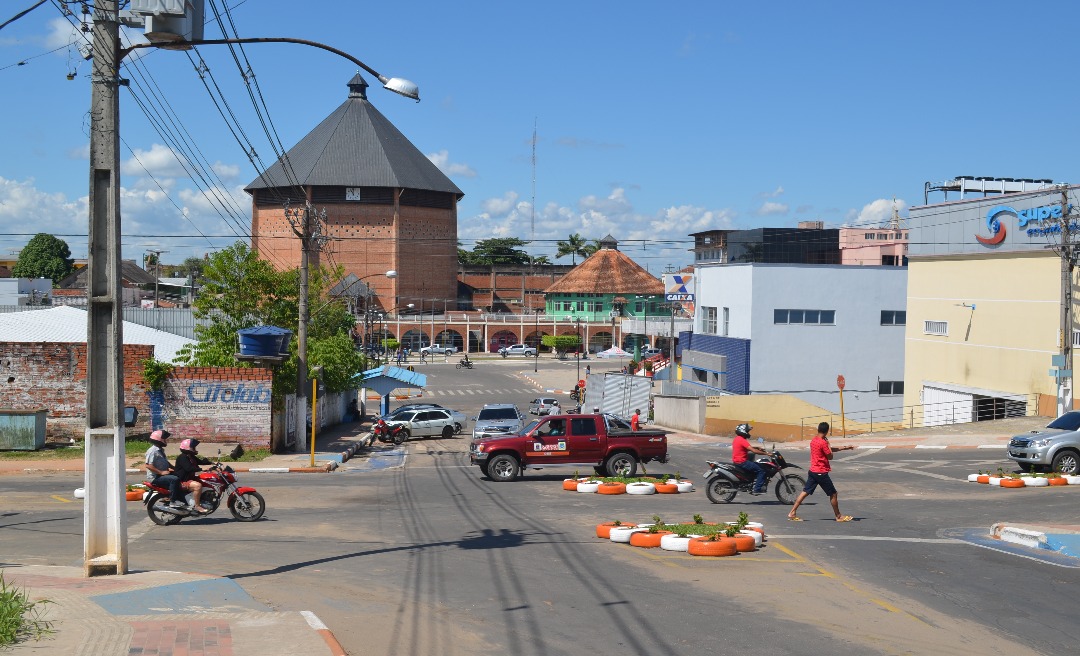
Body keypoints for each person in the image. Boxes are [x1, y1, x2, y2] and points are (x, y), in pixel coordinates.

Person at [788, 422, 857, 522]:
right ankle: (838, 516)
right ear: (827, 431)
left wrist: (845, 447)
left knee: (805, 492)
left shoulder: (814, 440)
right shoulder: (824, 442)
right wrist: (828, 443)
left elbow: (828, 450)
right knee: (833, 494)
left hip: (813, 471)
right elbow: (830, 456)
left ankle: (792, 512)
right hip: (821, 472)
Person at [144, 430, 184, 508]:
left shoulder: (160, 450)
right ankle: (173, 501)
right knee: (174, 479)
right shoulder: (152, 451)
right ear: (159, 439)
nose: (166, 441)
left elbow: (166, 462)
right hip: (155, 477)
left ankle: (180, 498)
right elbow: (148, 465)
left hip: (161, 475)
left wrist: (175, 469)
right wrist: (161, 472)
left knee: (180, 476)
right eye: (164, 439)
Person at [175, 438, 213, 513]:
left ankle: (202, 499)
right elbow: (189, 468)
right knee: (198, 486)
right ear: (188, 448)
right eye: (193, 447)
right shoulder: (183, 457)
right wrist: (202, 469)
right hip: (182, 481)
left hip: (189, 478)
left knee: (206, 481)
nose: (195, 449)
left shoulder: (190, 456)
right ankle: (197, 506)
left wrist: (211, 463)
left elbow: (201, 462)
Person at [731, 423, 769, 495]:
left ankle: (752, 483)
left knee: (756, 466)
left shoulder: (737, 439)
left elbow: (745, 448)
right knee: (762, 470)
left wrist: (757, 448)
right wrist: (767, 454)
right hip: (742, 462)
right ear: (743, 431)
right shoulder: (742, 440)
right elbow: (753, 451)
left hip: (737, 461)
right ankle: (757, 489)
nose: (748, 433)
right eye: (747, 431)